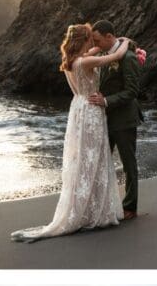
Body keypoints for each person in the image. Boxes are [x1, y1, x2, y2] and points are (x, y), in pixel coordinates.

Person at [11, 23, 126, 241]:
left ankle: (85, 208)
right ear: (83, 40)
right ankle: (93, 211)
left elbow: (94, 53)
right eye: (90, 39)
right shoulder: (86, 61)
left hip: (78, 109)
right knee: (93, 158)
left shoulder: (71, 62)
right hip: (91, 111)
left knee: (81, 158)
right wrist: (125, 42)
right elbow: (115, 56)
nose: (93, 43)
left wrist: (98, 47)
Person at [88, 19, 143, 219]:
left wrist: (106, 101)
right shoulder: (104, 54)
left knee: (129, 164)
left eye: (98, 40)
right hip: (106, 119)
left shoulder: (128, 57)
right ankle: (105, 204)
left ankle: (130, 207)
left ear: (109, 37)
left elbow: (132, 91)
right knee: (102, 162)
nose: (96, 44)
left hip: (125, 119)